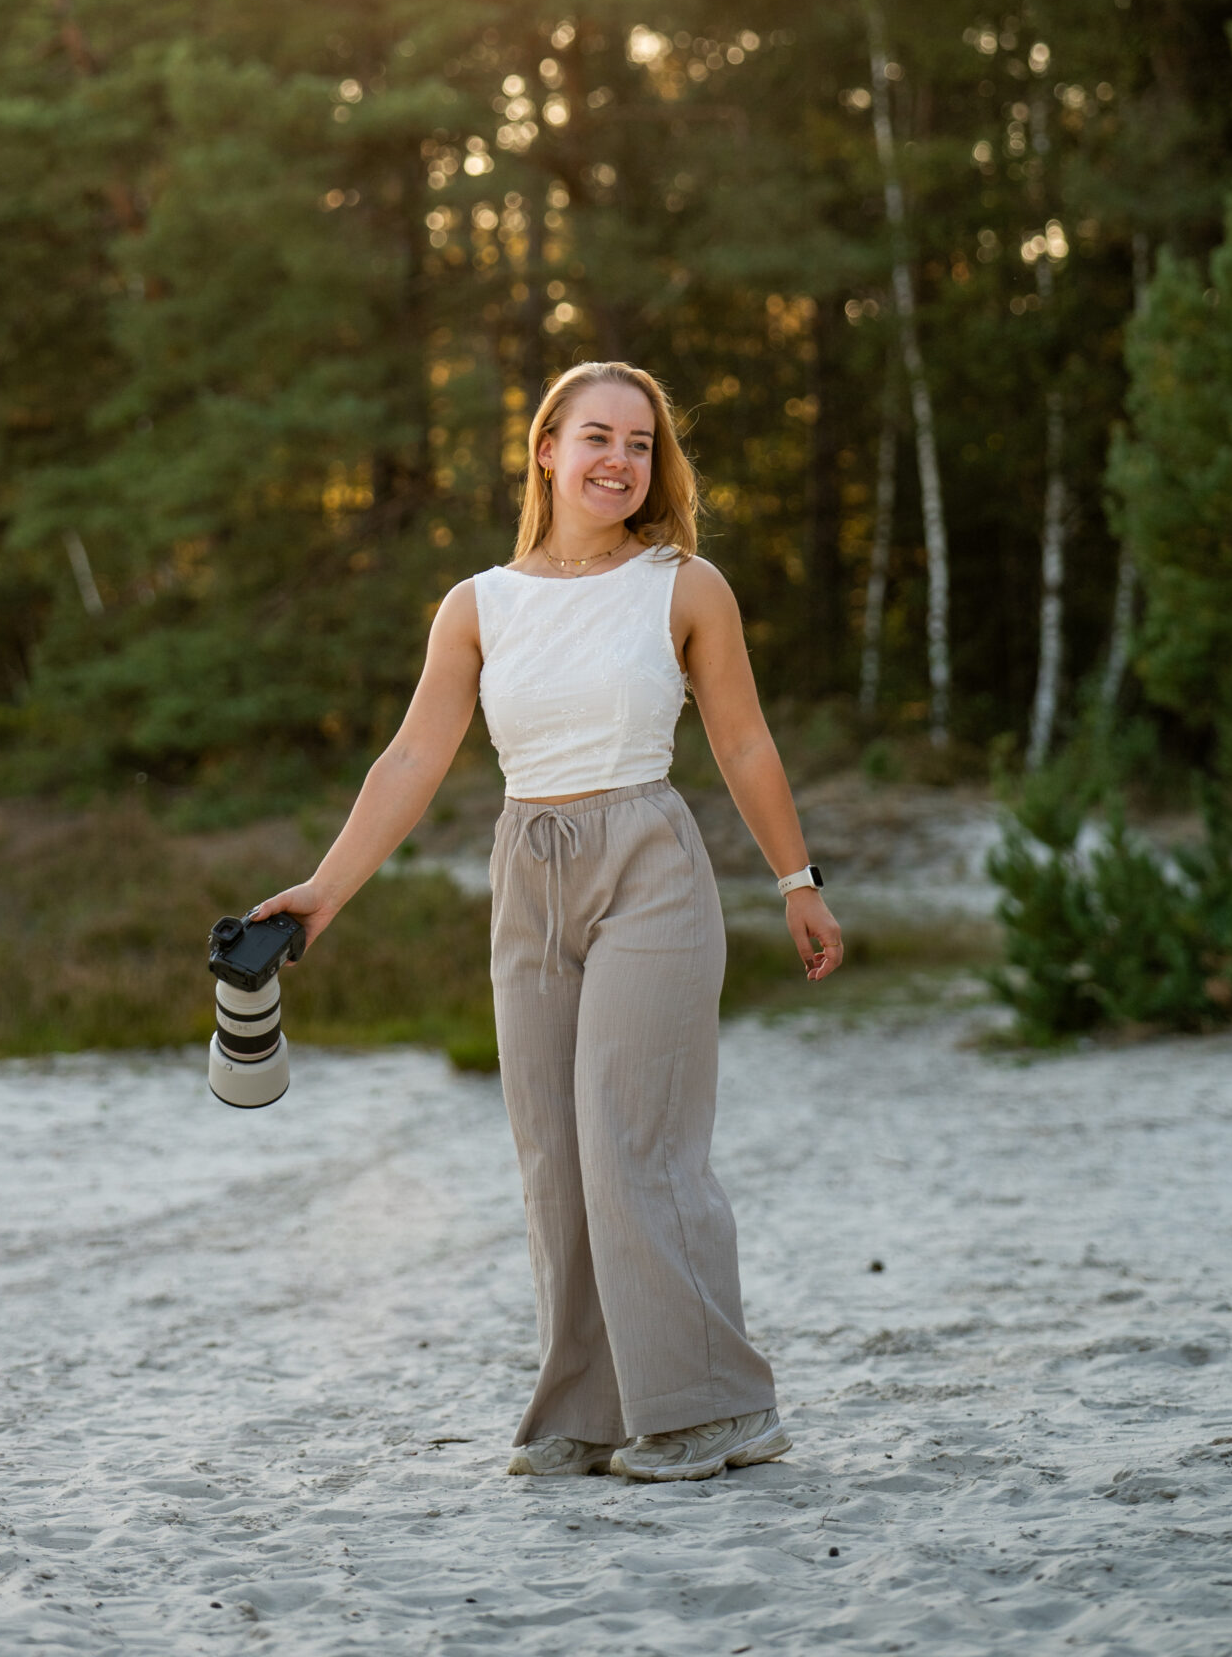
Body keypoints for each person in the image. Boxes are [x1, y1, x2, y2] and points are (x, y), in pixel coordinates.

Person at [250, 358, 843, 1483]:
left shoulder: (683, 585)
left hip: (650, 865)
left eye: (641, 443)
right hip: (528, 871)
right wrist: (326, 890)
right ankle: (589, 1405)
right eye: (598, 437)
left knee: (636, 1140)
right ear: (547, 451)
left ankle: (719, 1405)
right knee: (554, 1152)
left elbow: (746, 743)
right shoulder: (480, 603)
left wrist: (795, 879)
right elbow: (414, 756)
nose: (620, 459)